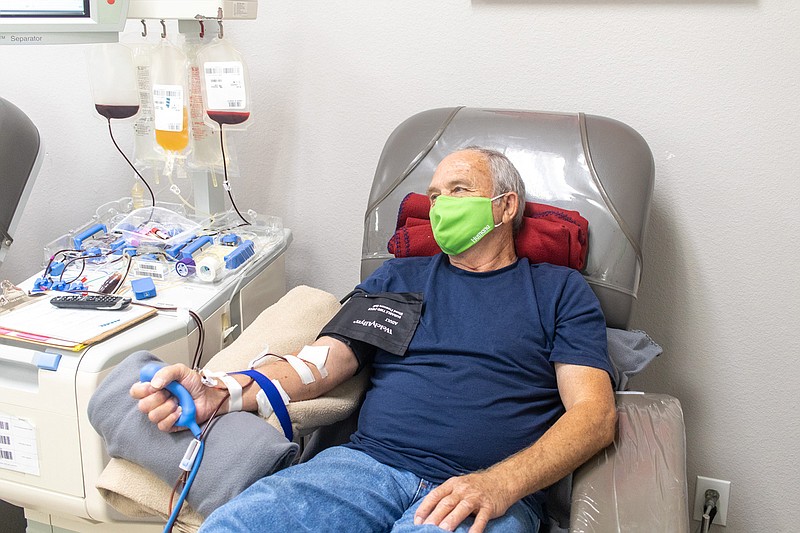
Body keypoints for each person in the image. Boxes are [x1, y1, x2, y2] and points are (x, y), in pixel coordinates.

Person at [131, 147, 617, 533]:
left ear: (505, 206)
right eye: (435, 195)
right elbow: (323, 363)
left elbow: (593, 415)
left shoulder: (558, 291)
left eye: (458, 190)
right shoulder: (398, 278)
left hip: (484, 487)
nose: (441, 205)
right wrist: (224, 388)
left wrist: (502, 483)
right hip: (363, 468)